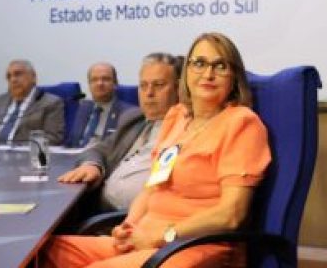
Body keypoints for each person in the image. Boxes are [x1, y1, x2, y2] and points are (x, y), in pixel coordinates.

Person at [41, 33, 271, 268]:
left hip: (194, 245)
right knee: (45, 251)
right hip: (146, 239)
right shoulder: (177, 117)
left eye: (220, 66)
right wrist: (127, 227)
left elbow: (231, 215)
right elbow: (152, 187)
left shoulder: (241, 123)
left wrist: (164, 235)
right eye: (199, 63)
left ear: (234, 76)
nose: (208, 73)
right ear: (187, 73)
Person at [59, 53, 182, 211]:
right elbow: (98, 150)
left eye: (158, 85)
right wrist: (92, 166)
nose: (149, 93)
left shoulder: (187, 127)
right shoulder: (134, 118)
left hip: (134, 219)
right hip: (97, 205)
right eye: (143, 85)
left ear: (179, 89)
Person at [0, 59, 66, 145]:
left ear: (33, 77)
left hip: (25, 156)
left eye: (18, 74)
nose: (13, 80)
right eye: (9, 77)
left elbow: (53, 138)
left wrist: (14, 147)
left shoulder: (50, 103)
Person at [68, 62, 135, 148]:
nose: (99, 83)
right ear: (89, 84)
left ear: (115, 83)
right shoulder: (83, 107)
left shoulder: (129, 113)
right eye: (94, 80)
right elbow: (72, 141)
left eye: (105, 79)